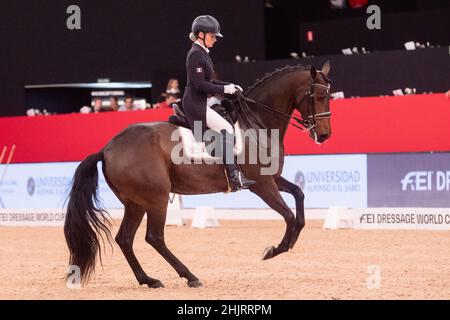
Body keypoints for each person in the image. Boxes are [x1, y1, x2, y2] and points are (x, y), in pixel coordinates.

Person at [182, 15, 255, 192]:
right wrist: (225, 90)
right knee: (227, 128)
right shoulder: (195, 55)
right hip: (195, 104)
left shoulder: (202, 53)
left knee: (227, 125)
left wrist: (229, 86)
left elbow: (211, 82)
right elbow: (200, 85)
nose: (215, 39)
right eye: (212, 36)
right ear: (201, 34)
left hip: (199, 102)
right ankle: (234, 176)